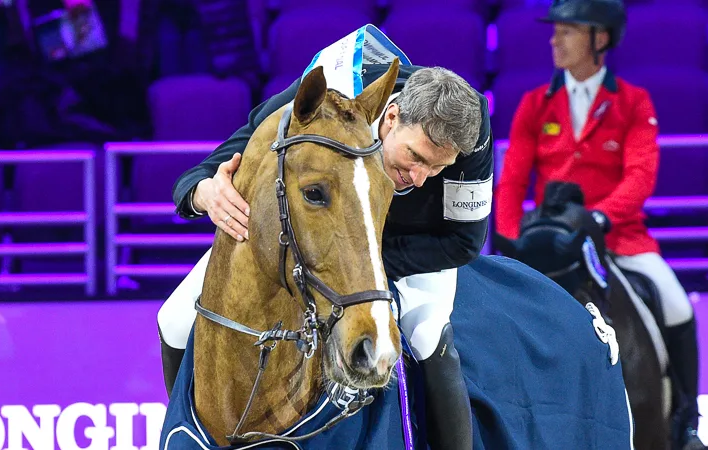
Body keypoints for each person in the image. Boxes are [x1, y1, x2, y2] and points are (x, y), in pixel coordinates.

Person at [156, 31, 493, 450]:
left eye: (437, 168)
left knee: (426, 336)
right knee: (173, 319)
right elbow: (232, 150)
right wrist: (200, 191)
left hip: (413, 245)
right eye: (416, 158)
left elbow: (463, 243)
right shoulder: (332, 90)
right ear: (389, 118)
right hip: (317, 237)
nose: (422, 178)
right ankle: (192, 433)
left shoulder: (473, 133)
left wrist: (360, 261)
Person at [492, 1, 708, 449]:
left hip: (619, 239)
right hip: (553, 242)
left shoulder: (633, 101)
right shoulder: (536, 103)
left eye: (568, 31)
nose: (554, 39)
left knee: (677, 305)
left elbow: (641, 174)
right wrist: (511, 238)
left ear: (600, 38)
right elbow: (513, 178)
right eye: (556, 31)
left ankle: (687, 421)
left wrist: (600, 217)